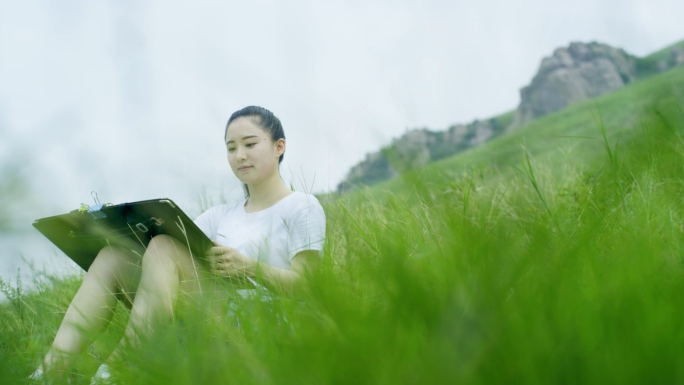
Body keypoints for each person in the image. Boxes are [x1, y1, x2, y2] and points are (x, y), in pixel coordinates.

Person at [30, 106, 326, 384]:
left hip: (259, 327)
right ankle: (50, 372)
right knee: (113, 256)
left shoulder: (301, 206)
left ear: (279, 147)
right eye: (231, 147)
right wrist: (120, 226)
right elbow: (164, 266)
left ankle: (115, 370)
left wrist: (249, 266)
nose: (239, 155)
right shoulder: (219, 216)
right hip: (203, 318)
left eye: (249, 144)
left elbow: (309, 285)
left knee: (165, 248)